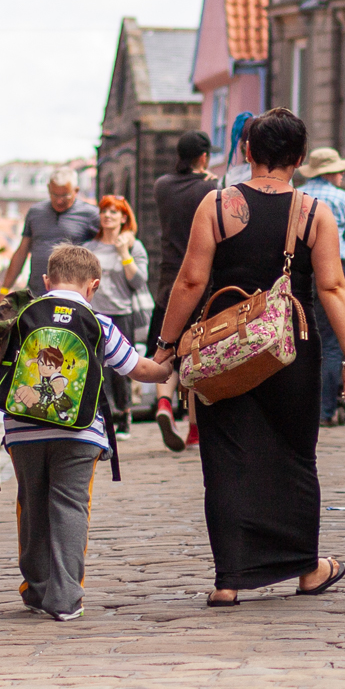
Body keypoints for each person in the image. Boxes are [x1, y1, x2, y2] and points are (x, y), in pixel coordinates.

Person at [156, 108, 345, 606]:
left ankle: (230, 579)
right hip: (292, 348)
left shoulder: (216, 205)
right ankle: (306, 568)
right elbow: (333, 286)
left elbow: (190, 280)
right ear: (299, 158)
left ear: (248, 151)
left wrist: (166, 345)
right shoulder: (315, 213)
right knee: (295, 457)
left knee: (225, 460)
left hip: (223, 349)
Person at [0, 244, 175, 621]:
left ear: (46, 281)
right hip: (79, 434)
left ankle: (36, 589)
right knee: (70, 506)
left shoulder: (23, 312)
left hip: (23, 431)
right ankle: (64, 599)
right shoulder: (98, 321)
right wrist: (166, 371)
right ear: (93, 286)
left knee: (32, 505)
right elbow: (136, 370)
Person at [150, 131, 216, 451]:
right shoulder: (211, 189)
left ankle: (164, 404)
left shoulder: (162, 186)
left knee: (166, 348)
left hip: (167, 281)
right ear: (203, 157)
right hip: (200, 281)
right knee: (194, 356)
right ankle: (194, 430)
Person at [298, 146, 345, 426]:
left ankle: (305, 407)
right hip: (336, 264)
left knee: (305, 334)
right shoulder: (341, 197)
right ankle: (325, 411)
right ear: (332, 173)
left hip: (303, 266)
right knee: (334, 340)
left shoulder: (299, 195)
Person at [86, 194, 149, 439]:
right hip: (94, 313)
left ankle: (124, 415)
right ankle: (100, 416)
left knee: (120, 368)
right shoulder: (90, 247)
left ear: (124, 217)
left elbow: (138, 281)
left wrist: (123, 251)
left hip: (121, 313)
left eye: (114, 212)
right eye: (104, 211)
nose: (108, 216)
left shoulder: (134, 246)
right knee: (95, 367)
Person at [0, 166, 100, 297]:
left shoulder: (91, 215)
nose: (59, 200)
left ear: (76, 190)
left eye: (65, 195)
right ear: (48, 189)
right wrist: (4, 290)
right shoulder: (35, 212)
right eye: (54, 194)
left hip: (72, 296)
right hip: (36, 293)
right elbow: (22, 252)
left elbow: (105, 248)